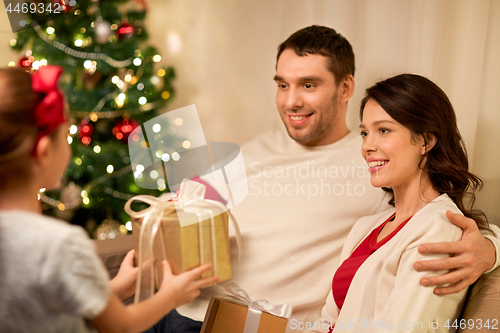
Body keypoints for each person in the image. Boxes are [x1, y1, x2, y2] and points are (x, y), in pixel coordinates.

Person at [175, 26, 500, 332]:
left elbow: (452, 226)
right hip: (186, 307)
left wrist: (491, 249)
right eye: (282, 85)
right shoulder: (255, 149)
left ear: (344, 88)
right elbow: (186, 203)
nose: (291, 102)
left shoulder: (377, 170)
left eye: (308, 85)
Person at [0, 65, 219, 333]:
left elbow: (46, 309)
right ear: (44, 152)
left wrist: (113, 288)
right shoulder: (60, 246)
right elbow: (122, 327)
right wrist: (172, 295)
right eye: (65, 135)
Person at [311, 73, 494, 333]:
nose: (367, 146)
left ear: (426, 141)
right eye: (365, 133)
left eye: (383, 130)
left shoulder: (441, 227)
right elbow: (327, 321)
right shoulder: (365, 228)